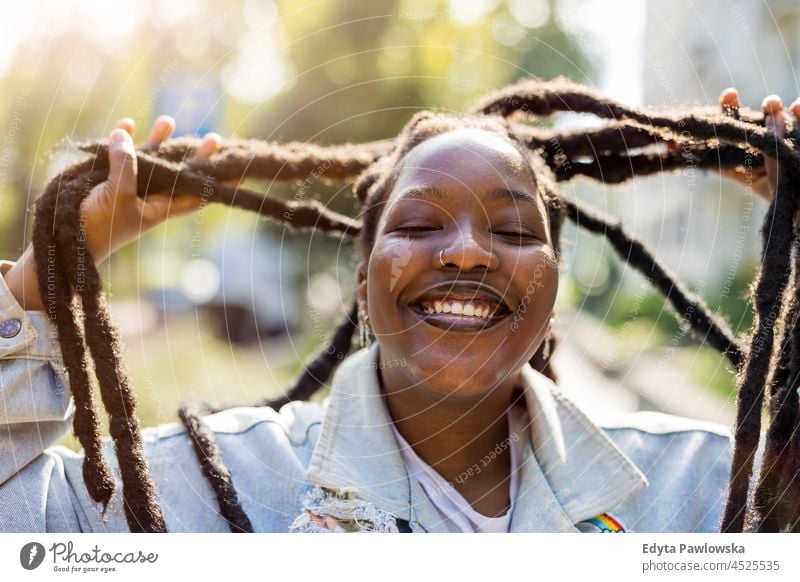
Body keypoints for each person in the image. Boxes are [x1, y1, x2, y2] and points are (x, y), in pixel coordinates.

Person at [0, 83, 796, 533]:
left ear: (552, 292)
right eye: (418, 224)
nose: (465, 252)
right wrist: (49, 270)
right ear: (361, 281)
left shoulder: (697, 493)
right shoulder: (208, 490)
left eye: (514, 229)